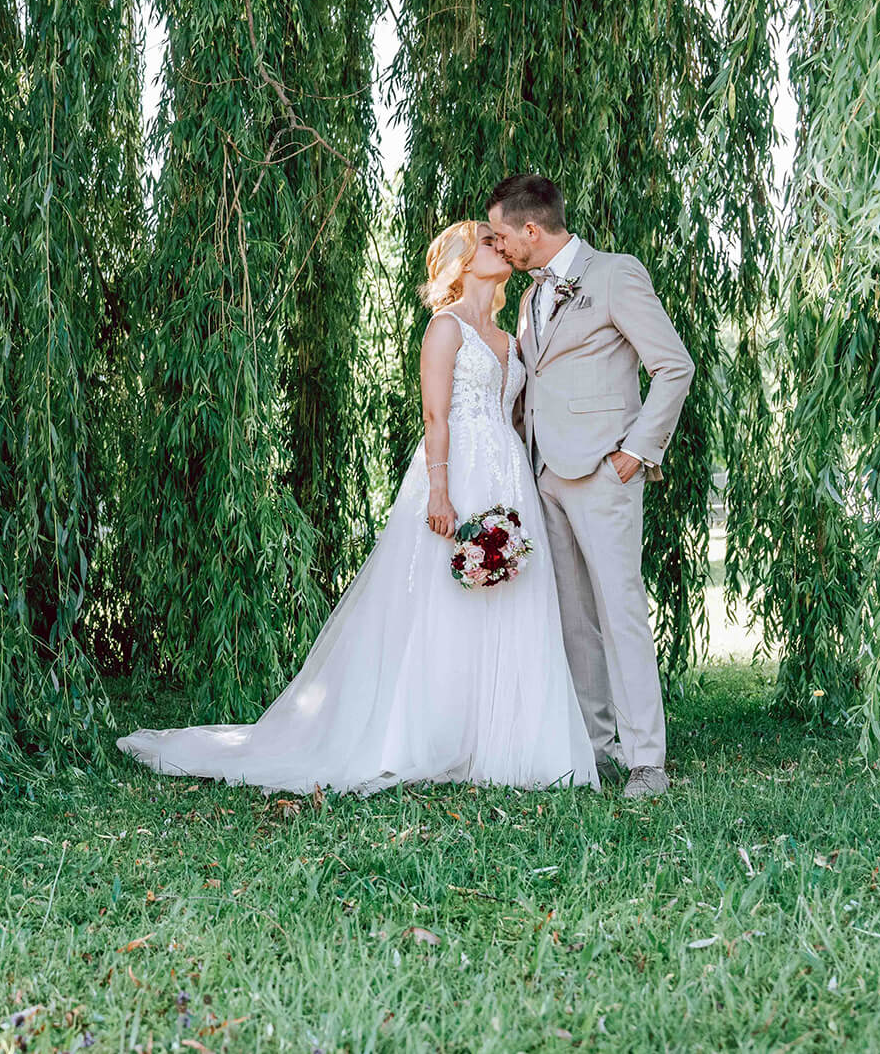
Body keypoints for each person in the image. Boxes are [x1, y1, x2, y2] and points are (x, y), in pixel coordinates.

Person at [116, 220, 597, 795]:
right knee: (443, 600)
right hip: (458, 466)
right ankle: (429, 732)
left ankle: (501, 737)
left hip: (507, 470)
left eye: (500, 241)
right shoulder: (445, 329)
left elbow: (518, 412)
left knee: (511, 592)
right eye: (488, 243)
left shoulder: (511, 336)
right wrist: (440, 491)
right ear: (463, 262)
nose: (502, 248)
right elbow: (436, 417)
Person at [485, 174, 693, 799]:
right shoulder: (527, 300)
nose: (499, 248)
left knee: (619, 610)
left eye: (501, 235)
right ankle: (595, 746)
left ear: (531, 229)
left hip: (603, 471)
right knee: (574, 617)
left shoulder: (613, 275)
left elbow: (673, 365)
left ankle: (646, 760)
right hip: (544, 471)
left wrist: (636, 450)